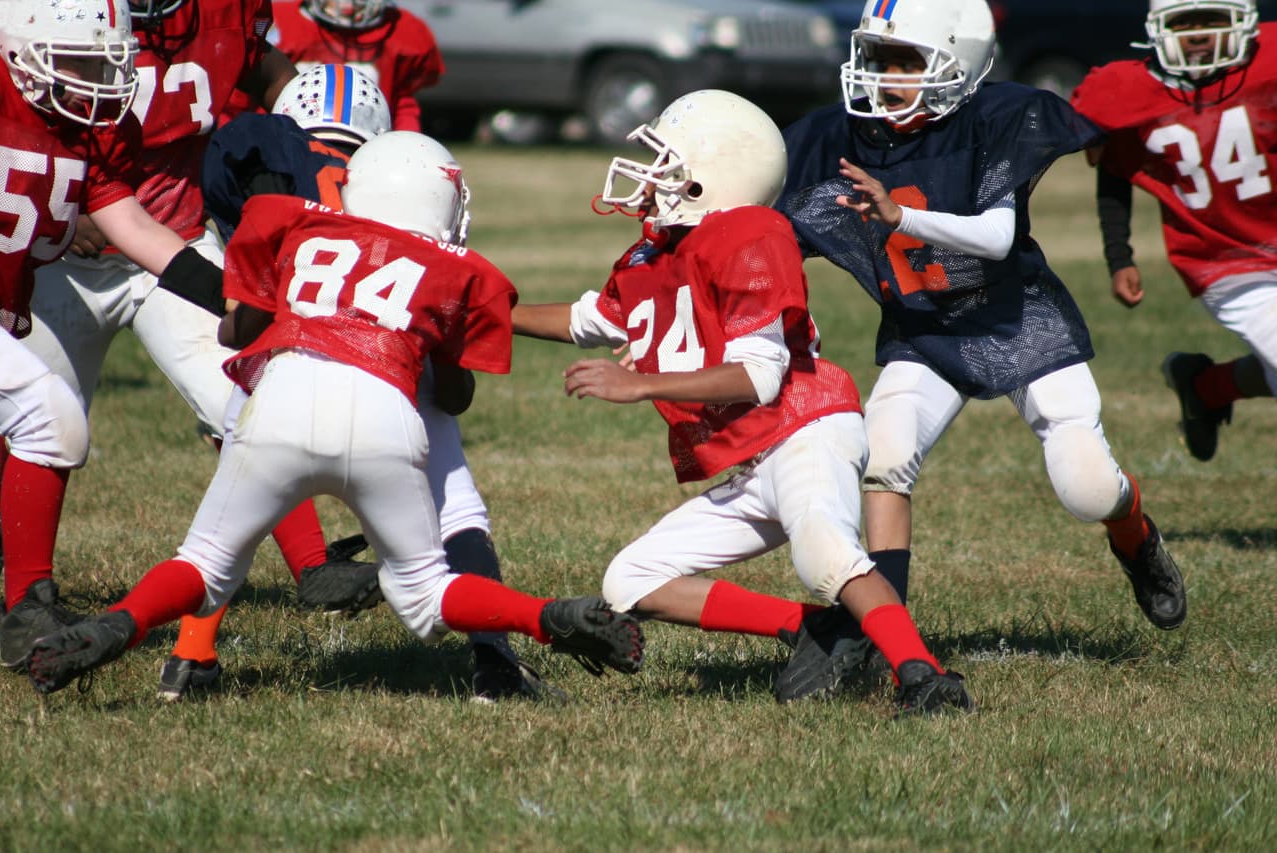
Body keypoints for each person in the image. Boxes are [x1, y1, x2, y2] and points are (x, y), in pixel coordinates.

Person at [26, 131, 646, 696]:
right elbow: (453, 396)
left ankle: (119, 626)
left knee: (204, 562)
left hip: (282, 401)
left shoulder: (292, 226)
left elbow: (235, 331)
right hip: (384, 416)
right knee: (428, 594)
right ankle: (547, 618)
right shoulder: (456, 270)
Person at [512, 89, 972, 715]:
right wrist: (484, 316)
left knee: (826, 556)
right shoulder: (657, 251)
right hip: (755, 458)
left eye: (667, 162)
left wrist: (640, 384)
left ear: (712, 174)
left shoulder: (749, 231)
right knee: (629, 578)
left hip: (805, 427)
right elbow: (591, 318)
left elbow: (758, 376)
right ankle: (816, 629)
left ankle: (924, 677)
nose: (650, 176)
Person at [777, 0, 1188, 670]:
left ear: (956, 63)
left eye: (905, 62)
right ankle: (890, 636)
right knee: (883, 456)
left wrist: (900, 214)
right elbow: (758, 211)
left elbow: (997, 240)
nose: (883, 77)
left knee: (1085, 487)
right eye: (876, 59)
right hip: (925, 330)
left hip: (1017, 319)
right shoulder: (837, 136)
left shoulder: (996, 118)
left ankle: (1135, 536)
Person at [8, 0, 368, 698]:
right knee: (36, 420)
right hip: (60, 255)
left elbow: (269, 76)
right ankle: (26, 595)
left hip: (170, 236)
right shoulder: (52, 23)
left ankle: (315, 563)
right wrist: (65, 199)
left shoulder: (226, 13)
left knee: (249, 399)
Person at [195, 62, 558, 703]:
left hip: (284, 365)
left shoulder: (280, 192)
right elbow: (454, 390)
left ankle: (189, 655)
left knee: (227, 528)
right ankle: (495, 663)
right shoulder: (404, 186)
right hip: (393, 369)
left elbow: (241, 312)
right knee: (457, 509)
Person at [1071, 0, 1276, 463]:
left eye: (1212, 20)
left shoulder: (1269, 63)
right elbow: (1115, 172)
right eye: (1185, 22)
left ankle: (1204, 387)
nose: (1199, 33)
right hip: (1226, 263)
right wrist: (1119, 256)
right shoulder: (1129, 92)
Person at [268, 0, 443, 131]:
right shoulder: (279, 23)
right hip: (285, 141)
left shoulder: (404, 30)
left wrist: (408, 147)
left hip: (369, 149)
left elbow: (402, 104)